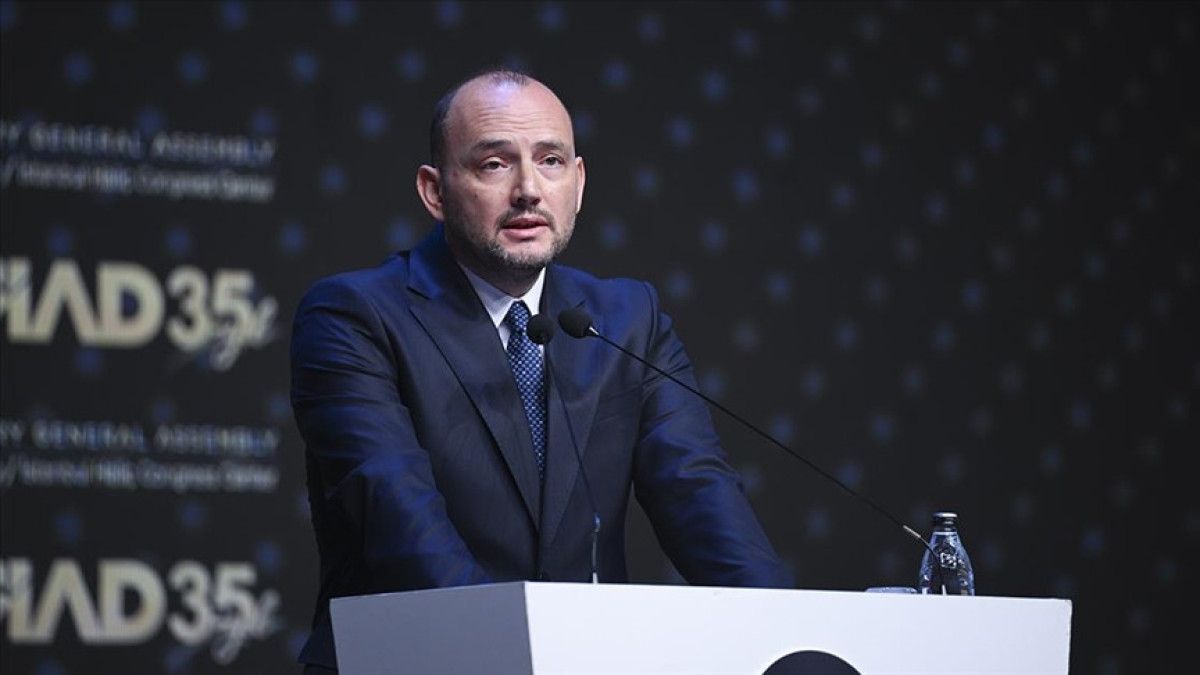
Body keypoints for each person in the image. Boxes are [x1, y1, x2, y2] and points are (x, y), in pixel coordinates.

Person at [290, 69, 794, 673]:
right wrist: (515, 655)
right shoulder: (355, 316)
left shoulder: (625, 318)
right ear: (434, 191)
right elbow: (397, 518)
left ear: (577, 184)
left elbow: (700, 496)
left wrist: (792, 643)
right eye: (494, 164)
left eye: (551, 161)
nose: (529, 190)